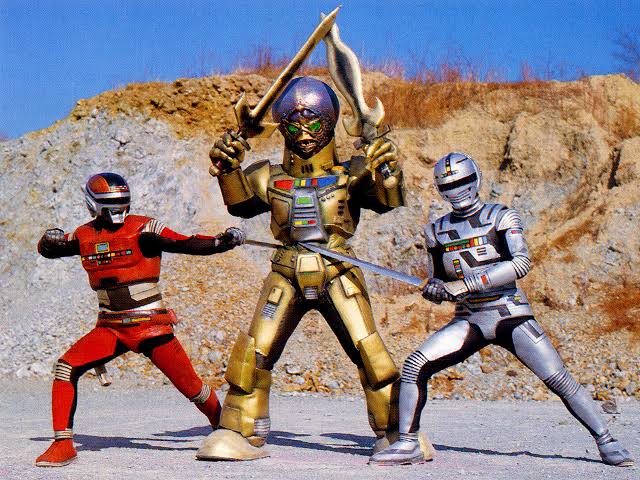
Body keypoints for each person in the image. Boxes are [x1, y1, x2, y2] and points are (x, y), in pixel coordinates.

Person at [197, 77, 417, 461]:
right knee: (253, 352)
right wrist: (228, 167)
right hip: (285, 271)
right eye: (293, 125)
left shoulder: (352, 172)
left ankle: (398, 431)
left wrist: (388, 170)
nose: (303, 133)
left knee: (371, 353)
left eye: (314, 122)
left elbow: (389, 199)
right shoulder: (268, 176)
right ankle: (241, 431)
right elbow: (239, 203)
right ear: (282, 128)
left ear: (329, 124)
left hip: (338, 268)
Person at [369, 152, 634, 467]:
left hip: (509, 312)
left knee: (558, 378)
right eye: (449, 185)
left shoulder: (501, 216)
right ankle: (408, 443)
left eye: (463, 181)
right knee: (415, 366)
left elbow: (520, 263)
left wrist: (468, 284)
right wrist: (435, 290)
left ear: (476, 179)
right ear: (440, 190)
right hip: (469, 318)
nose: (457, 190)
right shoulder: (436, 230)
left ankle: (606, 440)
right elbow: (440, 280)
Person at [35, 172, 245, 467]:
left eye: (122, 203)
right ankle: (62, 444)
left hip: (150, 327)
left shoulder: (144, 229)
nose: (118, 210)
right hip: (111, 327)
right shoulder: (84, 235)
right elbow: (51, 250)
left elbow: (186, 243)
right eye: (112, 204)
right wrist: (48, 240)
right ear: (95, 205)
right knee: (65, 367)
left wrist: (223, 241)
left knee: (192, 388)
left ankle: (223, 426)